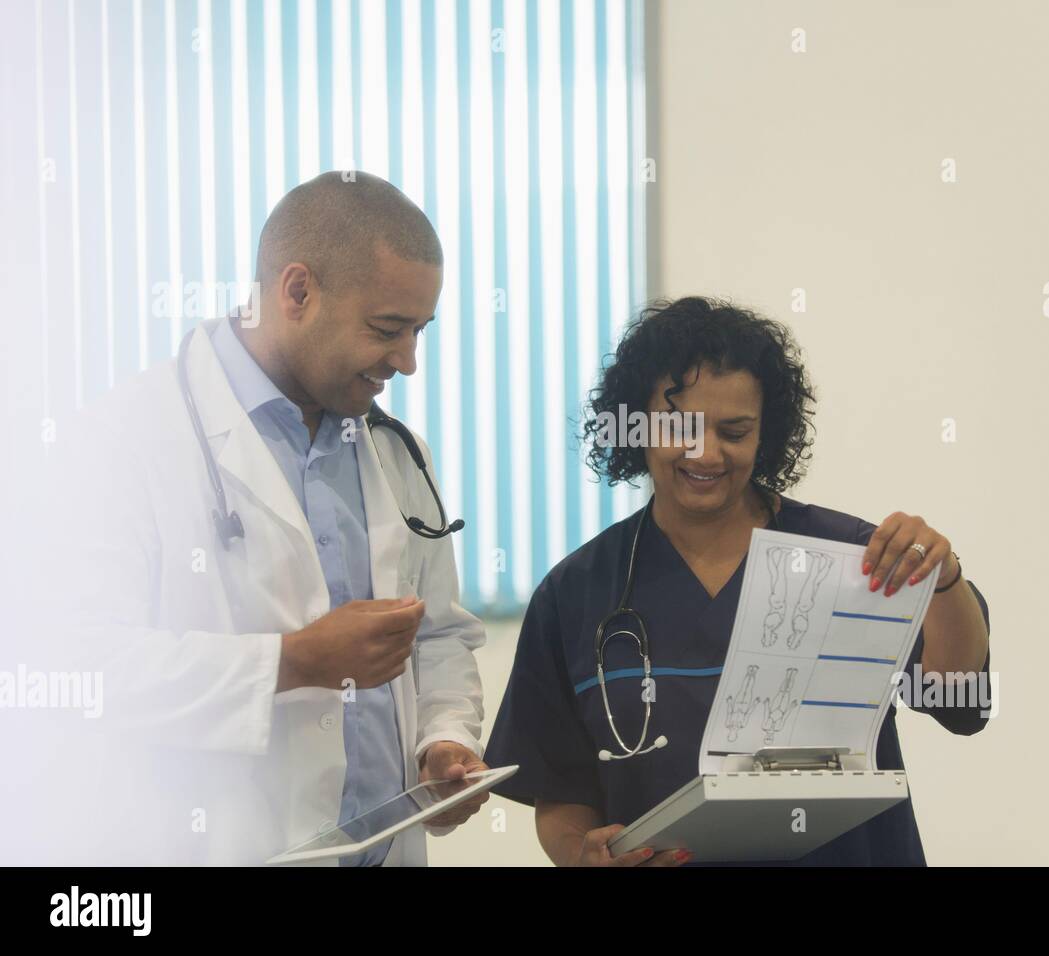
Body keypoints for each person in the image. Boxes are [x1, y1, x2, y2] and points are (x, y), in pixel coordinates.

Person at [54, 171, 488, 865]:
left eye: (420, 331)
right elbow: (81, 667)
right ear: (297, 292)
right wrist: (289, 663)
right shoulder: (120, 443)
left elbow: (435, 635)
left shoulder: (394, 452)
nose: (407, 362)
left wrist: (445, 740)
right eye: (387, 329)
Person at [484, 296, 991, 866]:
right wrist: (582, 856)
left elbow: (955, 698)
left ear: (764, 434)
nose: (706, 453)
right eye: (680, 427)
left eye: (734, 431)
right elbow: (561, 790)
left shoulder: (852, 557)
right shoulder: (575, 593)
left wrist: (944, 579)